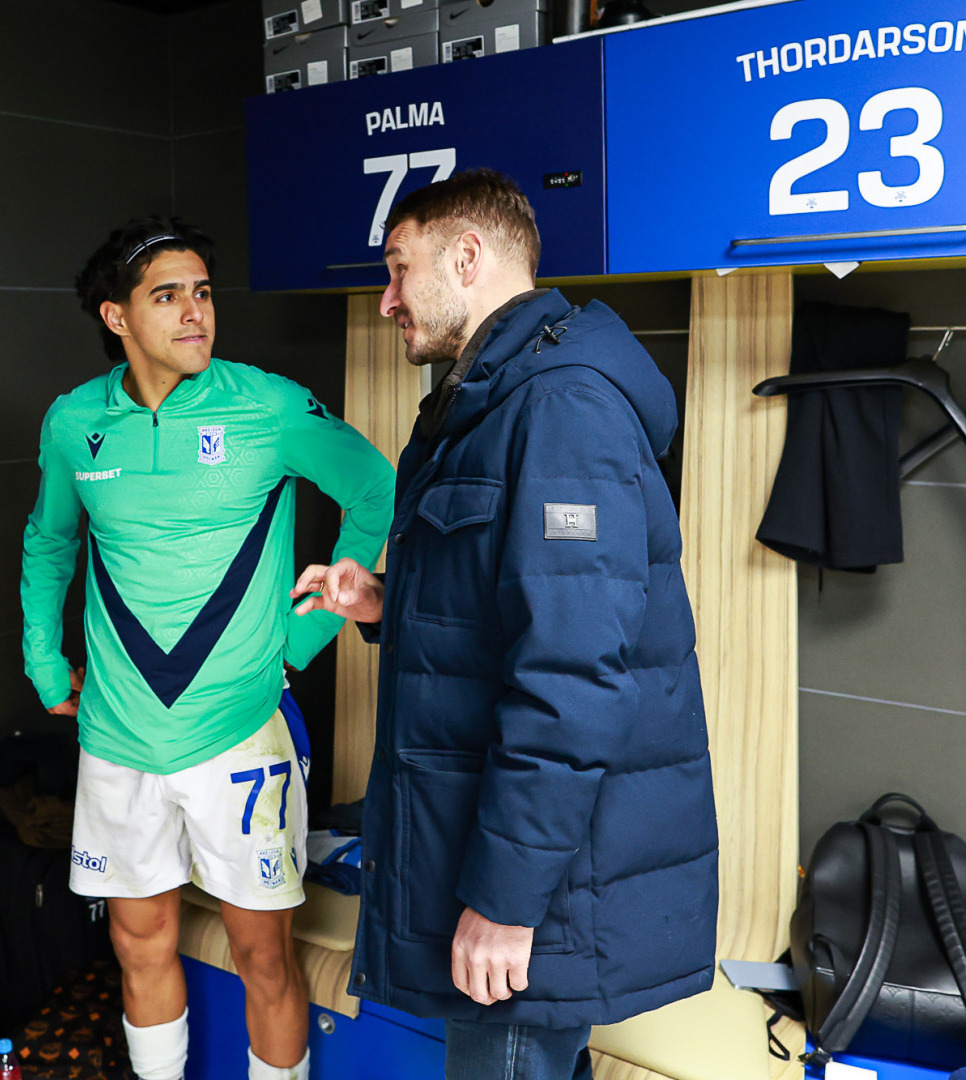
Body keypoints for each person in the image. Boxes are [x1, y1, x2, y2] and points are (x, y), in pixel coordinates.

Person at [293, 169, 717, 1079]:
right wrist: (384, 600)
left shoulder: (561, 409)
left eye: (399, 269)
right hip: (504, 857)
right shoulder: (493, 398)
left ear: (468, 256)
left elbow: (571, 677)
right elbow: (511, 607)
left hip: (541, 891)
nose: (387, 300)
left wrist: (506, 900)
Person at [20, 217, 395, 1080]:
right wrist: (44, 662)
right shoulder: (75, 420)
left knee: (264, 955)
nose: (195, 312)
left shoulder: (266, 405)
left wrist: (303, 636)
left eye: (203, 292)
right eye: (167, 296)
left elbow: (376, 488)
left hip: (238, 732)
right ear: (117, 316)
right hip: (117, 733)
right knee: (138, 942)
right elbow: (50, 542)